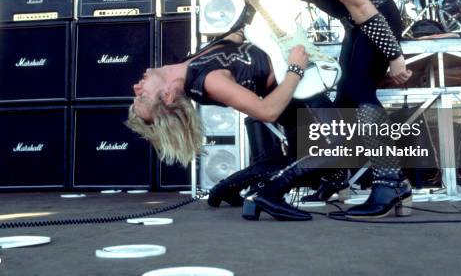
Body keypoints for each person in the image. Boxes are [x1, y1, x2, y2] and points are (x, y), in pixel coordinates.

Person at [220, 0, 414, 219]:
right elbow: (263, 7)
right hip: (356, 26)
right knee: (345, 106)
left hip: (377, 19)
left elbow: (361, 5)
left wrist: (394, 55)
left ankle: (389, 183)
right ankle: (340, 178)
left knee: (361, 92)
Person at [126, 28, 334, 219]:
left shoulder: (188, 64)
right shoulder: (208, 81)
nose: (136, 87)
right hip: (298, 90)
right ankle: (268, 194)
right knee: (341, 150)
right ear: (168, 96)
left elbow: (237, 36)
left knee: (311, 161)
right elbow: (268, 111)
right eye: (142, 97)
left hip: (297, 88)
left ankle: (226, 188)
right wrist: (295, 69)